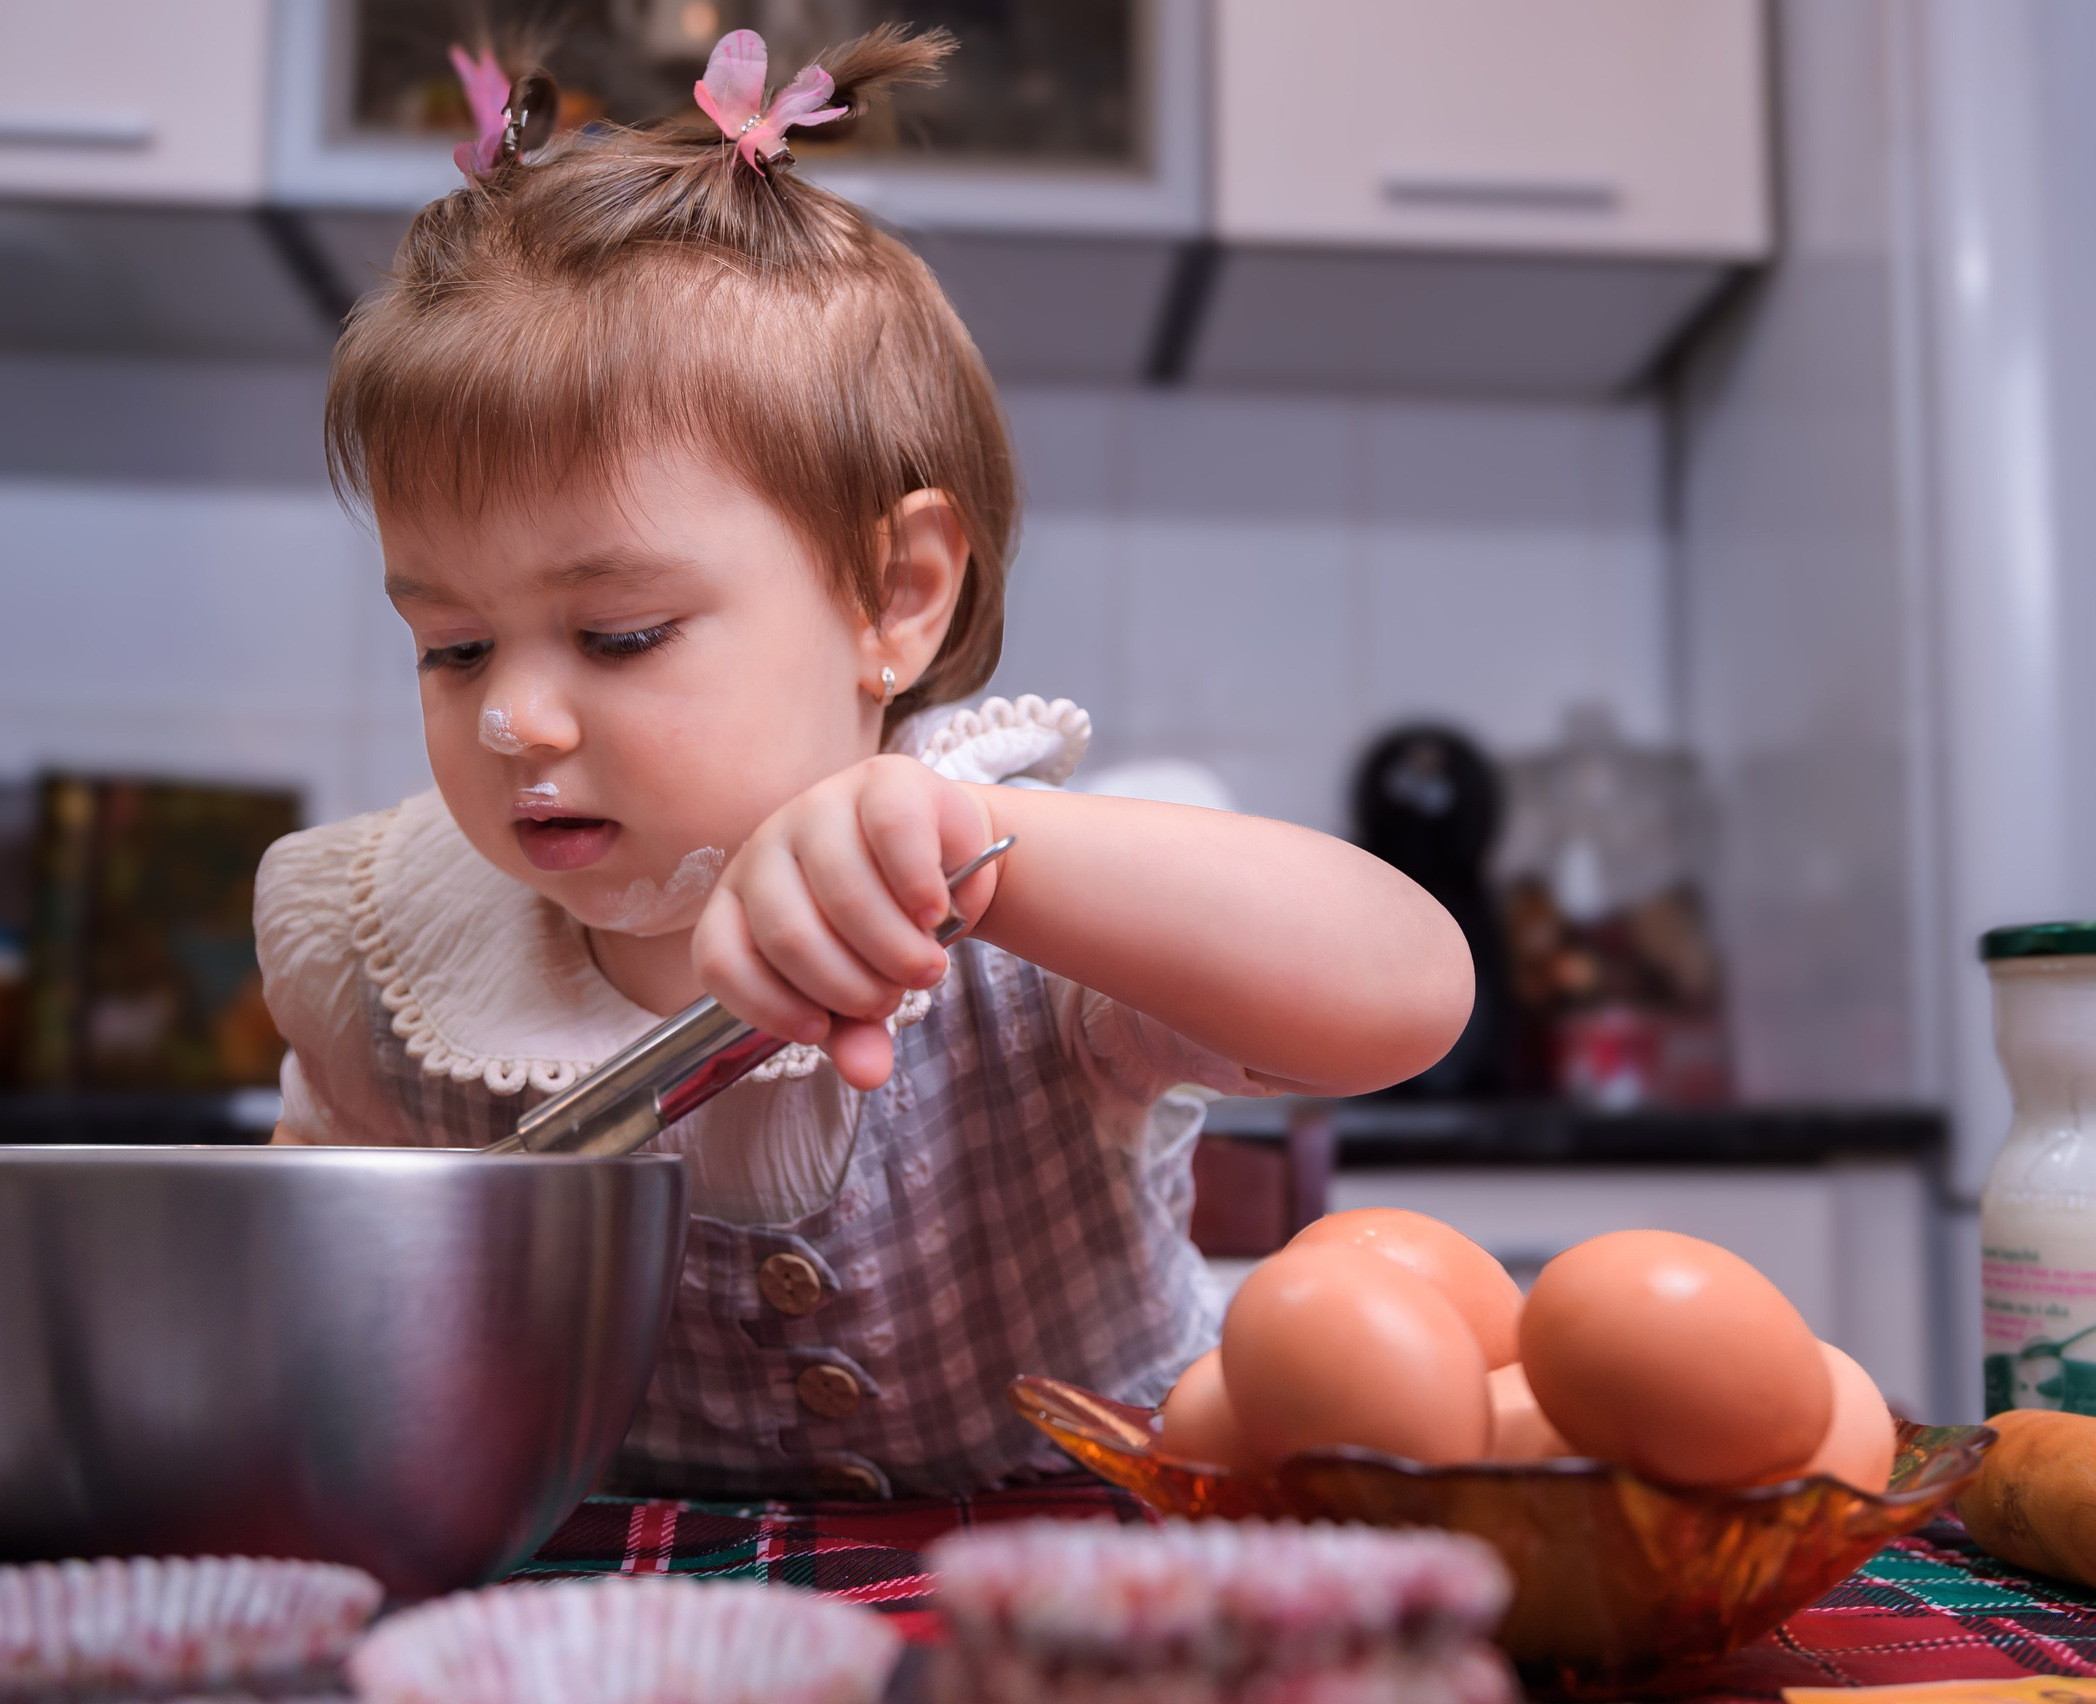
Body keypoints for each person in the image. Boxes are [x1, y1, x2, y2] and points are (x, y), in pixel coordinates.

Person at [255, 25, 1471, 1500]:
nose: (516, 719)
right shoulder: (393, 961)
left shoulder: (1011, 893)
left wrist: (980, 857)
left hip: (1087, 1602)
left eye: (621, 635)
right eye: (452, 650)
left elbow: (1410, 998)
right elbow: (317, 1325)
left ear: (895, 594)